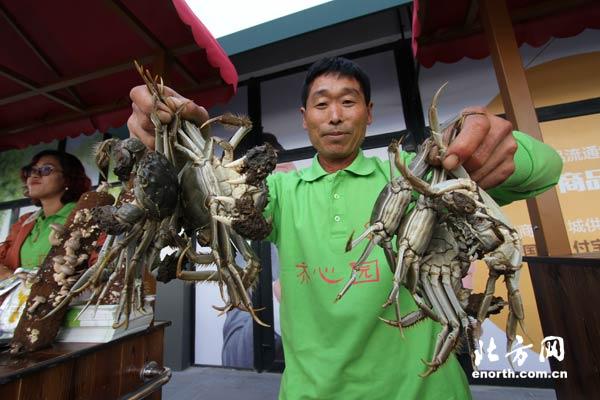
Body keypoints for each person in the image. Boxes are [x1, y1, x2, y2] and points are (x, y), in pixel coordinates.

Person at [127, 57, 562, 399]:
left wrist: (500, 144)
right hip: (311, 393)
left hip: (426, 392)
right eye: (321, 103)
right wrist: (164, 147)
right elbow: (209, 202)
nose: (334, 115)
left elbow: (546, 172)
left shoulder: (415, 181)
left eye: (349, 101)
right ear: (304, 117)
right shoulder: (279, 191)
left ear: (369, 113)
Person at [0, 150, 92, 279]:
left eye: (46, 169)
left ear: (68, 178)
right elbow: (4, 263)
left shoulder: (85, 216)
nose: (34, 175)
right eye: (30, 170)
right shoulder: (25, 221)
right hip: (19, 298)